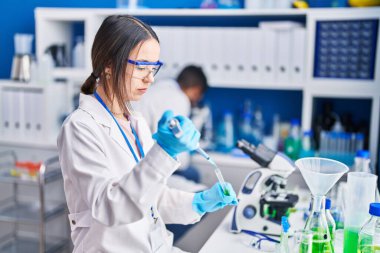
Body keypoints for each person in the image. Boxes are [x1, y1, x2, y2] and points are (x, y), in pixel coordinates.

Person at [57, 15, 237, 253]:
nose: (150, 78)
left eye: (154, 68)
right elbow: (109, 208)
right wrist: (164, 151)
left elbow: (151, 199)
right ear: (109, 64)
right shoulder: (80, 128)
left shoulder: (136, 122)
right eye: (141, 66)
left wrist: (198, 202)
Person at [134, 65, 209, 134]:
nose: (199, 99)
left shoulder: (161, 86)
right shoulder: (179, 99)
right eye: (200, 94)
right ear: (196, 90)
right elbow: (171, 138)